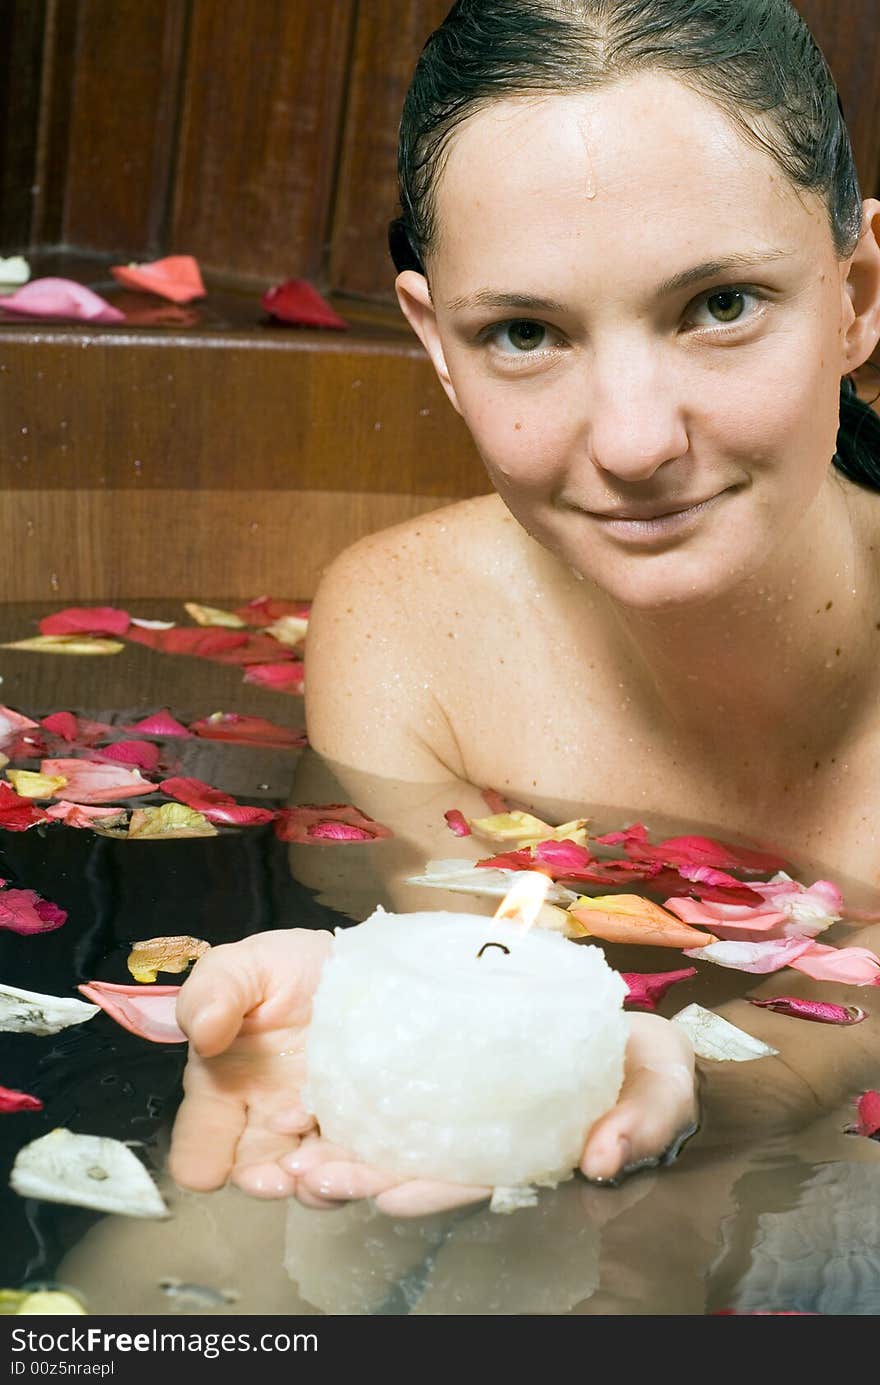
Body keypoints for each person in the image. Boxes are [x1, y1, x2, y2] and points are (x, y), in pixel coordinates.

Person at [168, 0, 880, 1217]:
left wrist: (721, 1082)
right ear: (436, 345)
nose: (636, 438)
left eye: (719, 305)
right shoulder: (411, 629)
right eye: (522, 331)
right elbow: (490, 994)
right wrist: (371, 1025)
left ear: (856, 294)